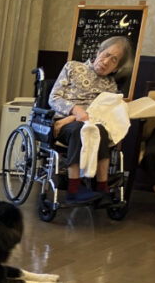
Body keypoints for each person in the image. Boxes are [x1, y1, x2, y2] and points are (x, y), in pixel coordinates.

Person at [48, 35, 133, 204]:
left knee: (101, 131)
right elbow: (54, 98)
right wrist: (75, 111)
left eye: (114, 60)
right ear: (99, 51)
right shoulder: (72, 67)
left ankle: (102, 188)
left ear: (116, 68)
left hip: (90, 123)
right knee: (80, 129)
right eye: (106, 54)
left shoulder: (110, 86)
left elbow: (105, 112)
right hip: (66, 124)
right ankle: (73, 189)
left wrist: (75, 117)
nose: (107, 61)